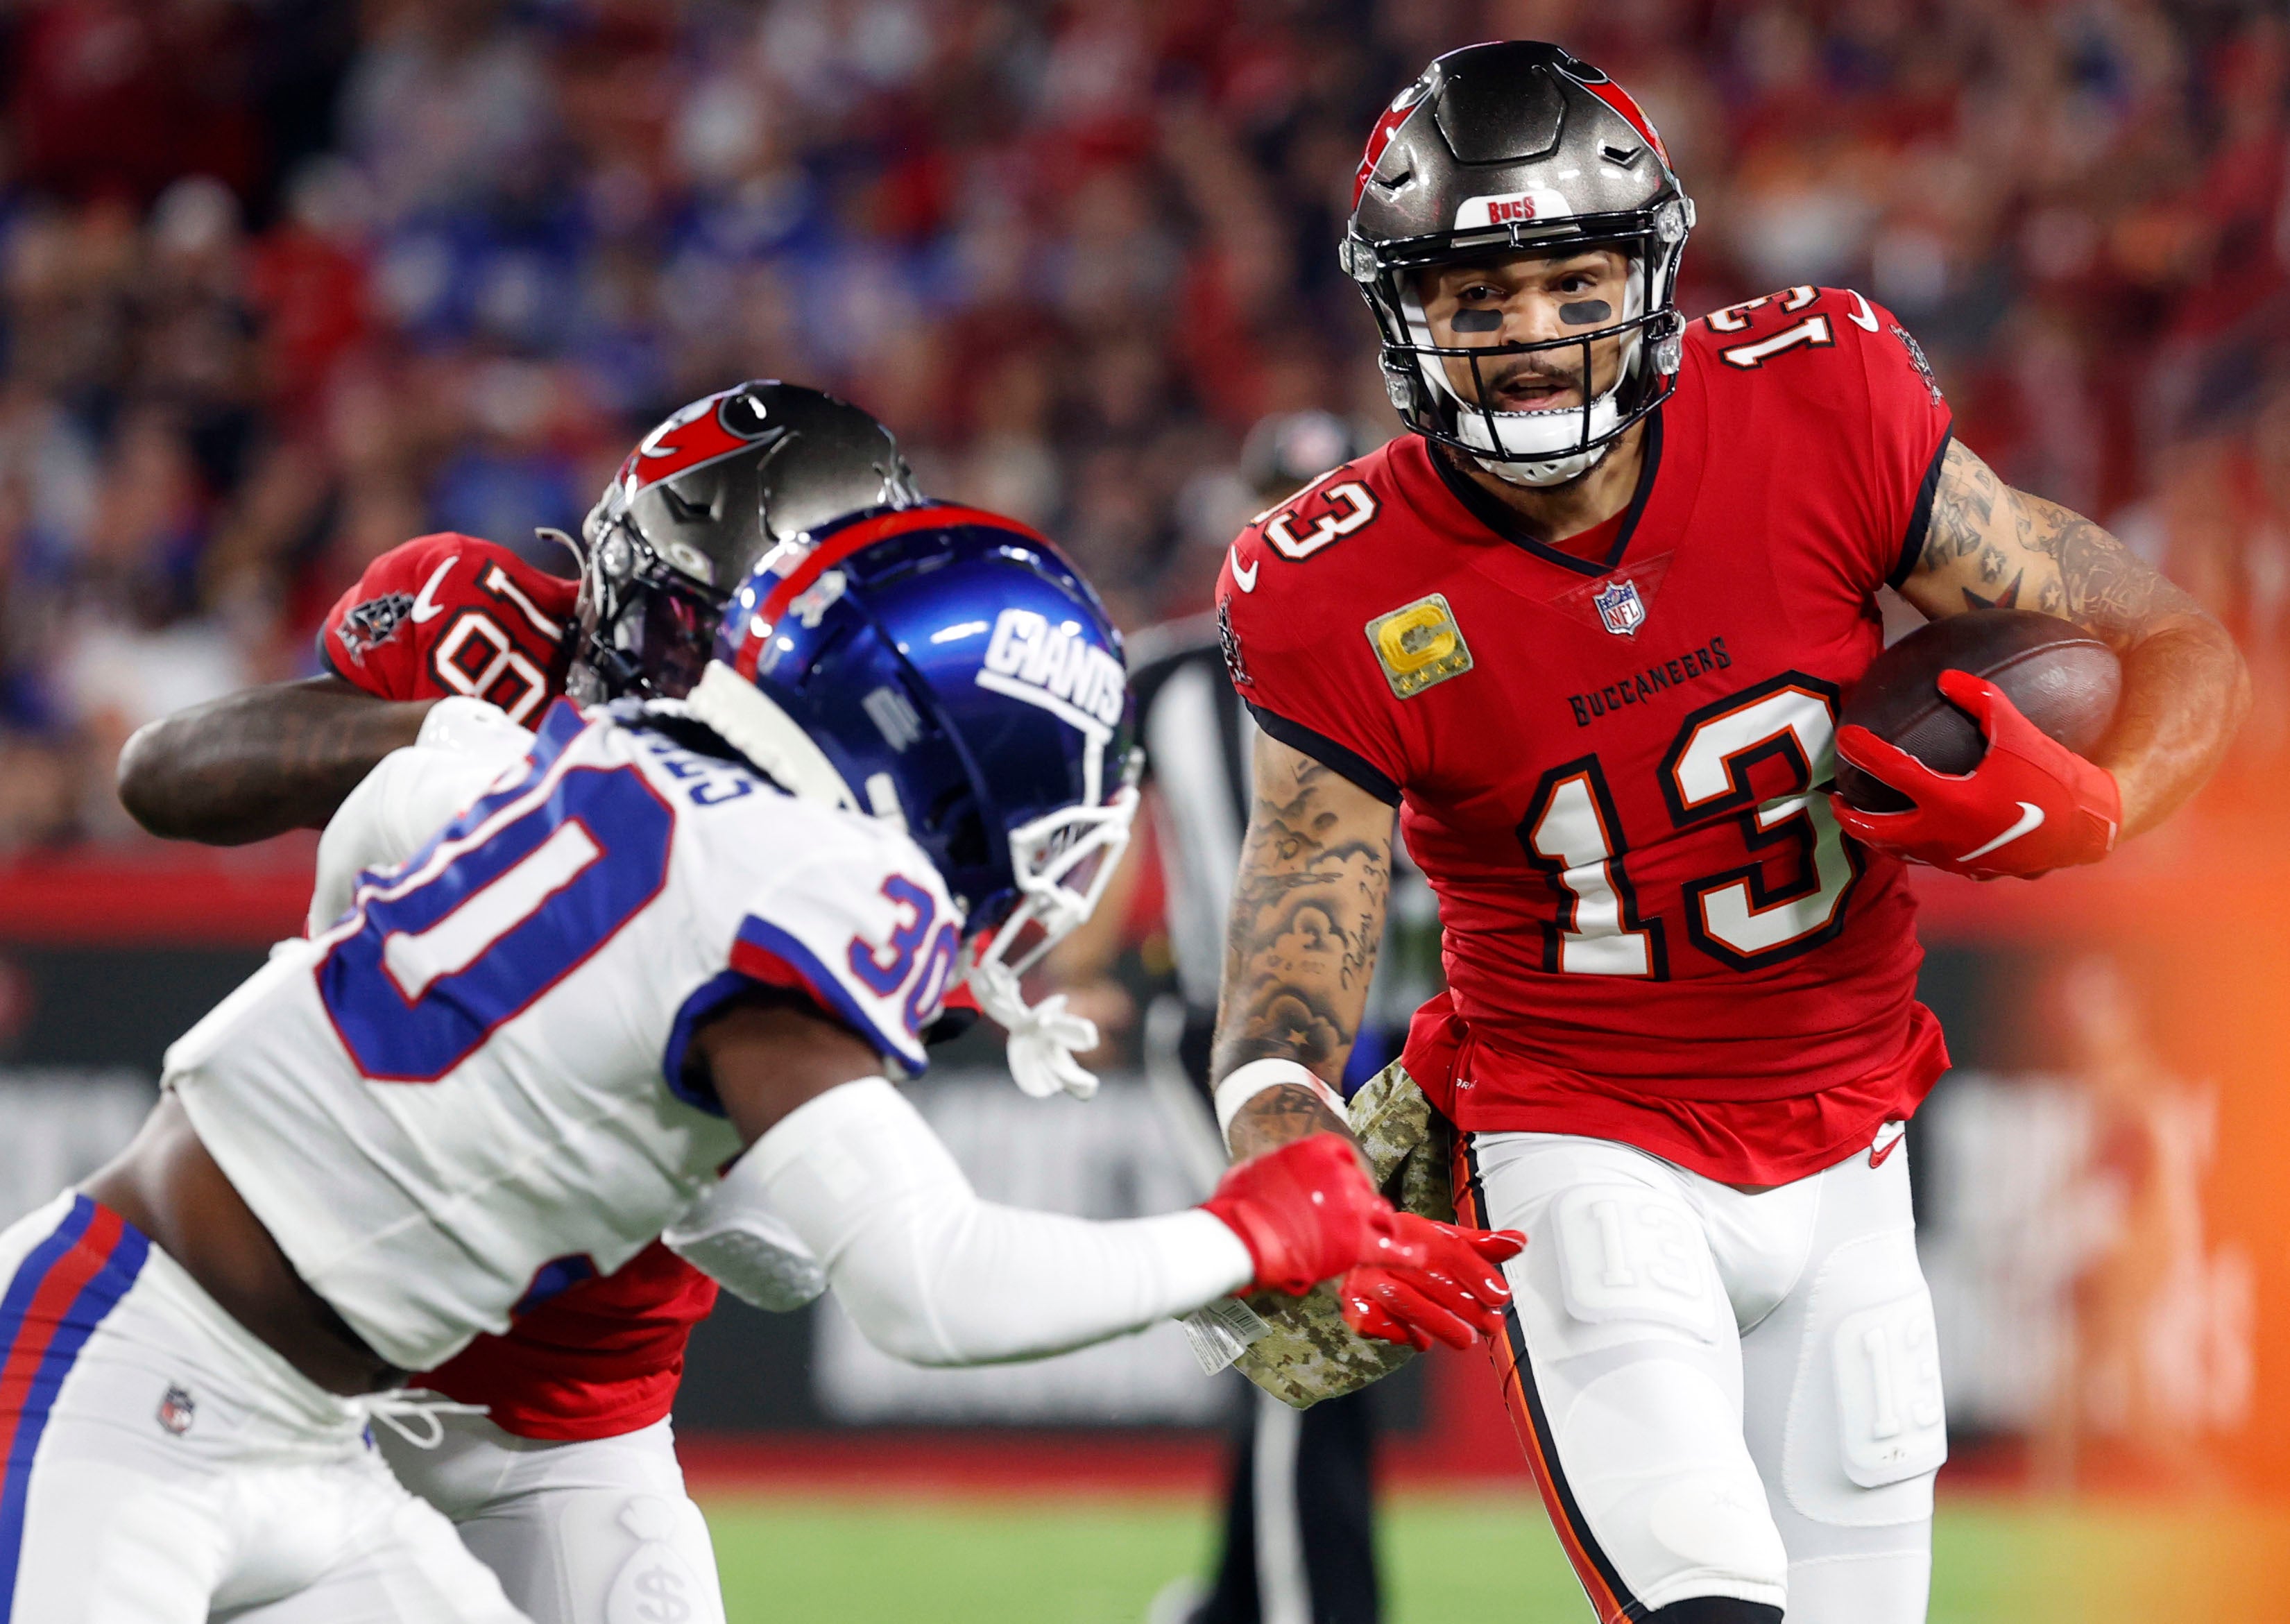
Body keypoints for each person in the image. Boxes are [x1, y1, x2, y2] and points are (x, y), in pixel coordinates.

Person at [15, 507, 1521, 1622]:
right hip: (117, 1383)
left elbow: (381, 840)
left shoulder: (599, 756)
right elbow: (934, 1288)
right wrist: (1252, 1234)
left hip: (302, 1428)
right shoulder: (803, 883)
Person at [1211, 41, 2247, 1624]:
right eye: (1476, 299)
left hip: (1853, 1148)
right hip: (1579, 1141)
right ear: (1401, 317)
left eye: (1567, 281)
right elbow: (1300, 911)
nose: (1536, 337)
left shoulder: (1822, 400)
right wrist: (1285, 1141)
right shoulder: (1334, 582)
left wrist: (2104, 809)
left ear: (1648, 272)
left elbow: (2180, 646)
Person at [112, 380, 930, 1624]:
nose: (709, 691)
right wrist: (438, 746)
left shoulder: (875, 805)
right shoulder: (477, 640)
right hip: (288, 1369)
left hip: (563, 1427)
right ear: (612, 584)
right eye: (685, 635)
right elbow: (167, 774)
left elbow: (793, 1248)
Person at [1112, 409, 1436, 1624]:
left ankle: (1245, 1597)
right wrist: (1087, 964)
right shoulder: (1173, 670)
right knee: (1307, 1325)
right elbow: (1107, 844)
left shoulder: (1419, 643)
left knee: (1314, 1337)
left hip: (1392, 1039)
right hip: (1228, 1037)